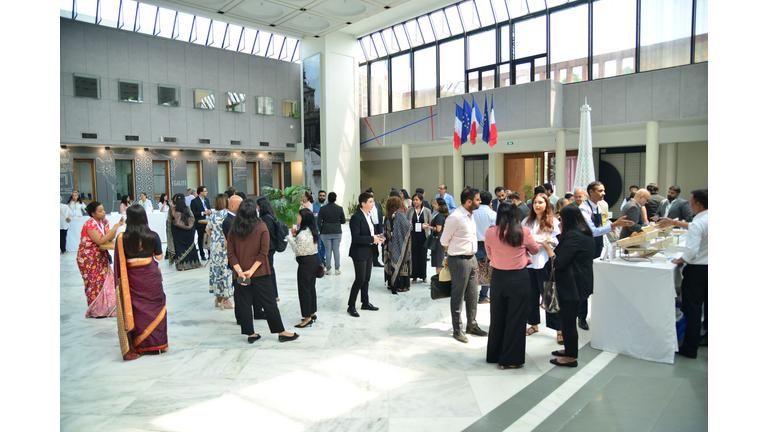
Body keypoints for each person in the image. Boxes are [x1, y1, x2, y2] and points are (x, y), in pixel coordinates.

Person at [227, 199, 299, 344]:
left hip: (240, 274)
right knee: (269, 302)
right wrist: (251, 271)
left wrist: (240, 271)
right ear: (255, 211)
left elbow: (231, 253)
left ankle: (250, 333)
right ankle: (281, 332)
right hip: (260, 272)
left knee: (244, 303)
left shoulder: (234, 229)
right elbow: (263, 253)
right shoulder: (261, 226)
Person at [484, 202, 540, 369]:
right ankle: (510, 359)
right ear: (516, 215)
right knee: (516, 318)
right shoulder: (523, 232)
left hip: (498, 278)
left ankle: (494, 354)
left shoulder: (490, 232)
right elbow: (535, 250)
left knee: (497, 317)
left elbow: (489, 254)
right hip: (519, 278)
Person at [538, 205, 595, 368]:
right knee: (566, 319)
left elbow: (559, 262)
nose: (559, 222)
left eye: (561, 219)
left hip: (572, 285)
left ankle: (571, 357)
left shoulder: (573, 236)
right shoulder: (583, 233)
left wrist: (548, 249)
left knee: (568, 321)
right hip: (578, 283)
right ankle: (569, 350)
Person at [113, 204, 167, 361]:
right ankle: (157, 344)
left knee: (137, 310)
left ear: (129, 219)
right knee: (156, 307)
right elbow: (159, 257)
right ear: (145, 217)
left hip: (132, 279)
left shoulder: (122, 238)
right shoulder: (153, 236)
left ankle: (139, 344)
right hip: (150, 277)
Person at [578, 181, 633, 330]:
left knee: (596, 282)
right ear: (591, 192)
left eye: (604, 190)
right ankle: (581, 317)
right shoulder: (584, 209)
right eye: (600, 191)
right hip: (586, 248)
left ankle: (597, 314)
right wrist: (615, 225)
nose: (604, 193)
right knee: (585, 285)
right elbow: (592, 231)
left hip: (597, 246)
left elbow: (602, 226)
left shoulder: (599, 206)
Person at [659, 189, 707, 358]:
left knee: (692, 308)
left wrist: (680, 260)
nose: (690, 205)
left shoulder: (698, 222)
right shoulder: (705, 219)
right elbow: (694, 227)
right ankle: (705, 336)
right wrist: (674, 222)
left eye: (692, 202)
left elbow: (691, 251)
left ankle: (690, 347)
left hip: (698, 270)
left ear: (698, 204)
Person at [440, 188, 488, 343]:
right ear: (468, 201)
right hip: (459, 260)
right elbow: (443, 241)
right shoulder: (455, 217)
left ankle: (472, 325)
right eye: (477, 199)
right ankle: (457, 329)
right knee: (458, 295)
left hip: (472, 258)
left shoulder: (470, 215)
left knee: (473, 294)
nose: (480, 202)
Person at [522, 193, 562, 343]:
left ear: (547, 204)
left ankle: (559, 329)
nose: (537, 205)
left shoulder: (554, 221)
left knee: (550, 296)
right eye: (535, 203)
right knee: (530, 296)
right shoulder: (527, 221)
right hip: (529, 263)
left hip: (546, 262)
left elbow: (559, 241)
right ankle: (533, 324)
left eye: (540, 202)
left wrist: (548, 241)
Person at [77, 201, 124, 317]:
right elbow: (100, 241)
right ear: (93, 214)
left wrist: (117, 227)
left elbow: (109, 237)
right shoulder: (90, 224)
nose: (103, 212)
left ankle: (108, 308)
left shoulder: (104, 221)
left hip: (100, 256)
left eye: (103, 210)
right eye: (100, 211)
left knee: (106, 281)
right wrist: (115, 227)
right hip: (88, 259)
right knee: (94, 284)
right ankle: (96, 311)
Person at [347, 192, 384, 317]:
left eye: (373, 201)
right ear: (363, 203)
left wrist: (377, 237)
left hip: (368, 250)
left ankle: (365, 302)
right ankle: (351, 306)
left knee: (366, 279)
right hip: (359, 252)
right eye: (370, 202)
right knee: (360, 279)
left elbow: (369, 233)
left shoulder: (368, 215)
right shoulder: (356, 217)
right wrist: (372, 239)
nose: (373, 204)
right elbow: (356, 238)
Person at [288, 208, 320, 328]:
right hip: (313, 261)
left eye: (299, 216)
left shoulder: (302, 234)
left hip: (305, 263)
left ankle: (307, 318)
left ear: (304, 218)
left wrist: (291, 238)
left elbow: (298, 251)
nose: (297, 218)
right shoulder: (312, 230)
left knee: (304, 290)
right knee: (311, 288)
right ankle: (311, 312)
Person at [207, 194, 234, 310]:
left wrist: (215, 237)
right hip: (225, 246)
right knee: (226, 271)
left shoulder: (213, 215)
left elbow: (208, 230)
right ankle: (226, 299)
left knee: (216, 271)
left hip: (215, 246)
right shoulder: (227, 214)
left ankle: (218, 297)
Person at [383, 196, 413, 294]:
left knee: (391, 262)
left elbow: (386, 231)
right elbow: (408, 227)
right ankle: (402, 285)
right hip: (401, 244)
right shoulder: (400, 215)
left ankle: (391, 283)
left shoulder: (387, 216)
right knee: (402, 262)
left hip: (390, 245)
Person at [255, 197, 281, 304]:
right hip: (271, 247)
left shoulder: (266, 219)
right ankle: (274, 295)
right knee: (270, 270)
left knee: (269, 271)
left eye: (257, 206)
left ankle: (273, 295)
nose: (257, 208)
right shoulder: (269, 217)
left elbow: (266, 236)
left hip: (268, 248)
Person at [473, 191, 497, 304]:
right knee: (487, 270)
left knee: (473, 269)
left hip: (473, 243)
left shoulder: (472, 213)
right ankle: (483, 296)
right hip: (488, 244)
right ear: (490, 201)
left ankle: (470, 294)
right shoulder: (493, 214)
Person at [170, 194, 201, 271]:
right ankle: (194, 264)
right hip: (189, 233)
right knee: (191, 247)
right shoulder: (187, 208)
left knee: (180, 248)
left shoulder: (173, 209)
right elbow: (192, 218)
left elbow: (171, 220)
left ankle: (182, 266)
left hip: (178, 233)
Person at [406, 193, 432, 284]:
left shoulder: (427, 211)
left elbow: (430, 223)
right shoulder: (409, 210)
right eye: (414, 200)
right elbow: (406, 222)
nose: (415, 201)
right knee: (413, 256)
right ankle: (414, 276)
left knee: (423, 256)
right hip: (413, 235)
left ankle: (423, 276)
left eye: (417, 200)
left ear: (421, 201)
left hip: (423, 236)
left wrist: (427, 226)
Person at [318, 191, 346, 275]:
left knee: (328, 251)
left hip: (325, 232)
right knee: (336, 250)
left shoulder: (323, 209)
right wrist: (337, 222)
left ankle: (328, 269)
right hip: (337, 231)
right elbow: (343, 221)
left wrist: (321, 230)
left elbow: (319, 222)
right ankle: (337, 269)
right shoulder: (339, 208)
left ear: (328, 198)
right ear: (335, 199)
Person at [190, 186, 212, 261]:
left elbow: (209, 208)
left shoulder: (207, 200)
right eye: (205, 191)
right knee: (201, 238)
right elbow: (193, 213)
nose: (207, 192)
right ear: (200, 192)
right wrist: (203, 213)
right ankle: (202, 254)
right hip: (199, 222)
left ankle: (210, 254)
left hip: (208, 221)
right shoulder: (194, 201)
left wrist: (209, 212)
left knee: (208, 237)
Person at [365, 188, 385, 267]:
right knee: (371, 244)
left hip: (378, 226)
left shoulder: (377, 203)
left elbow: (380, 214)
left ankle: (377, 260)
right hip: (369, 227)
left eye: (372, 195)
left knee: (377, 243)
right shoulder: (363, 205)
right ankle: (370, 260)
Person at [429, 198, 449, 275]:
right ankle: (439, 278)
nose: (433, 205)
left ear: (439, 206)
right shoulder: (440, 215)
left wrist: (428, 226)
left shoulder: (439, 216)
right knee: (438, 261)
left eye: (435, 204)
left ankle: (439, 278)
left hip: (438, 240)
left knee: (438, 261)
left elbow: (438, 229)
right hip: (440, 239)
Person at [164, 194, 182, 265]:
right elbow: (172, 217)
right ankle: (170, 255)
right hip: (171, 226)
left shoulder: (181, 207)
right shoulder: (172, 207)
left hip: (178, 227)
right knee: (171, 240)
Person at [314, 190, 327, 265]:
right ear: (318, 196)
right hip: (316, 229)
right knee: (318, 246)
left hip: (325, 229)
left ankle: (322, 259)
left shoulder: (327, 206)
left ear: (325, 197)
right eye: (320, 195)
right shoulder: (314, 205)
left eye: (323, 196)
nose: (322, 197)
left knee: (324, 246)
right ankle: (320, 262)